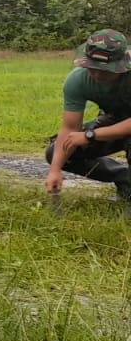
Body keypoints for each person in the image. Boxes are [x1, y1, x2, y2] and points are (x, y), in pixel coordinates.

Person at [44, 29, 131, 210]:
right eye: (93, 69)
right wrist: (55, 170)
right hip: (114, 118)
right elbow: (69, 128)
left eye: (105, 71)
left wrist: (91, 135)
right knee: (58, 152)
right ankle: (126, 180)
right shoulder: (77, 80)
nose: (98, 75)